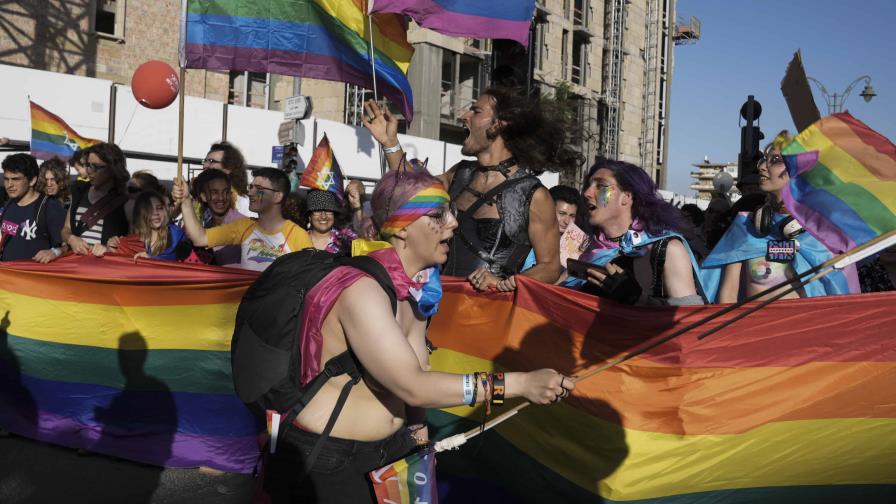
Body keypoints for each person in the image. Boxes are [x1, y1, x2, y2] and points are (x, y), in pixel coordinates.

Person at [265, 168, 574, 503]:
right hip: (328, 459)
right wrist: (519, 385)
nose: (454, 223)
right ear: (401, 228)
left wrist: (418, 435)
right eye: (437, 215)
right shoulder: (363, 291)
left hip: (390, 452)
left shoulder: (415, 289)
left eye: (451, 213)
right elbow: (411, 384)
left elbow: (419, 378)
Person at [363, 88, 579, 292]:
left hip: (489, 316)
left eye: (476, 111)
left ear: (498, 125)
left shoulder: (533, 195)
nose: (464, 115)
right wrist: (389, 142)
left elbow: (550, 267)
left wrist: (506, 282)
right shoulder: (461, 173)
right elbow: (411, 190)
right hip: (437, 301)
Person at [700, 131, 857, 303]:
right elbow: (727, 298)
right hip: (757, 329)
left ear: (801, 172)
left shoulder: (829, 235)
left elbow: (844, 299)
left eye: (775, 161)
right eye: (763, 160)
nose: (761, 167)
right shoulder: (746, 226)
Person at [562, 160, 706, 306]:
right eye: (587, 185)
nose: (587, 193)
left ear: (627, 197)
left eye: (600, 186)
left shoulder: (667, 249)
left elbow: (688, 319)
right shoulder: (585, 246)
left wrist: (637, 298)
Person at [173, 167, 312, 271]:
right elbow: (200, 238)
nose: (251, 193)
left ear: (277, 197)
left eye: (258, 189)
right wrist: (185, 201)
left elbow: (310, 279)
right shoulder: (243, 227)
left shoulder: (298, 235)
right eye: (251, 187)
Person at [61, 143, 131, 254]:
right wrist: (71, 239)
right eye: (88, 165)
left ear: (113, 169)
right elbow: (66, 229)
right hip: (75, 266)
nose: (89, 171)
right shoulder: (79, 192)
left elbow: (134, 243)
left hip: (105, 269)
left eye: (96, 167)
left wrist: (112, 249)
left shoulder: (127, 203)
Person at [0, 153, 66, 263]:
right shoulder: (9, 204)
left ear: (32, 180)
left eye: (16, 179)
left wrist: (54, 252)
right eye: (6, 179)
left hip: (35, 277)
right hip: (8, 277)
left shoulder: (50, 207)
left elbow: (68, 246)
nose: (9, 185)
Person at [100, 191, 194, 261]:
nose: (156, 213)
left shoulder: (176, 233)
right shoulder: (132, 242)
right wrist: (110, 249)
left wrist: (152, 259)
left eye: (159, 208)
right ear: (140, 214)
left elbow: (180, 256)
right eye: (149, 210)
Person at [521, 184, 583, 271]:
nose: (567, 221)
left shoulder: (578, 245)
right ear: (548, 210)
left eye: (572, 216)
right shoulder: (526, 237)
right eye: (562, 213)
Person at [193, 169, 245, 266]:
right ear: (204, 196)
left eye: (225, 192)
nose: (221, 198)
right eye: (214, 192)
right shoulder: (202, 221)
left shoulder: (242, 224)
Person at [202, 141, 252, 216]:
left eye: (211, 161)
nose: (205, 165)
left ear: (228, 168)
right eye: (205, 161)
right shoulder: (198, 199)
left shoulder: (243, 204)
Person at [305, 189, 357, 256]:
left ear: (334, 215)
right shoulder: (298, 239)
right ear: (309, 216)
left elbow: (365, 244)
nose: (323, 216)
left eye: (328, 211)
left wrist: (357, 208)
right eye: (318, 211)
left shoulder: (345, 240)